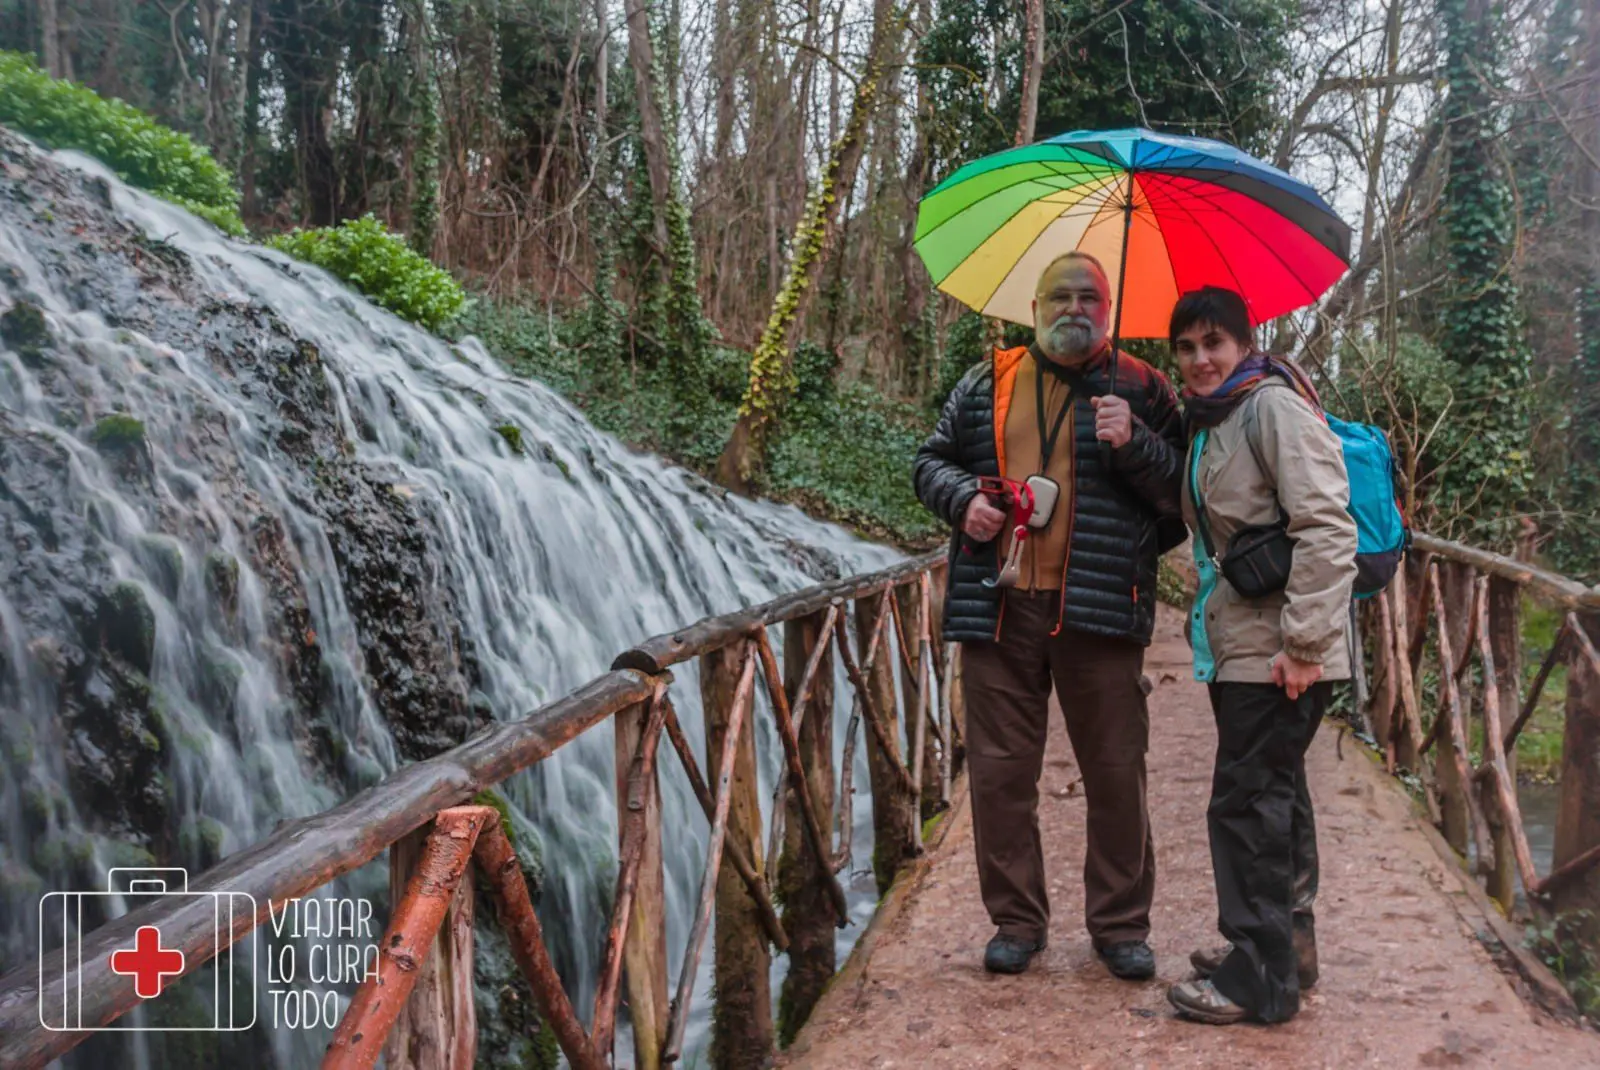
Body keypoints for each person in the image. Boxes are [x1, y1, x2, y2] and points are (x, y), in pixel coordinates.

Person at [912, 251, 1186, 979]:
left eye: (1089, 297)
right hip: (998, 606)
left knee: (1116, 770)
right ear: (1032, 307)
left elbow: (1184, 498)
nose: (1074, 309)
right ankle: (1016, 921)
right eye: (1058, 296)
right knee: (1001, 776)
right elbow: (929, 462)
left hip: (1100, 609)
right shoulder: (986, 383)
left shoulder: (1144, 387)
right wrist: (961, 499)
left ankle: (1121, 925)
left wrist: (1141, 445)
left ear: (1108, 307)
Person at [1163, 286, 1357, 1025]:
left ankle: (1258, 981)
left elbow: (1327, 526)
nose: (1199, 359)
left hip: (1280, 655)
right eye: (1185, 347)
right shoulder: (1213, 422)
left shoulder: (1270, 407)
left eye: (1213, 342)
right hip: (1241, 648)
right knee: (1275, 800)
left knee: (1246, 806)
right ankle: (1286, 952)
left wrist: (1305, 645)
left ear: (1245, 342)